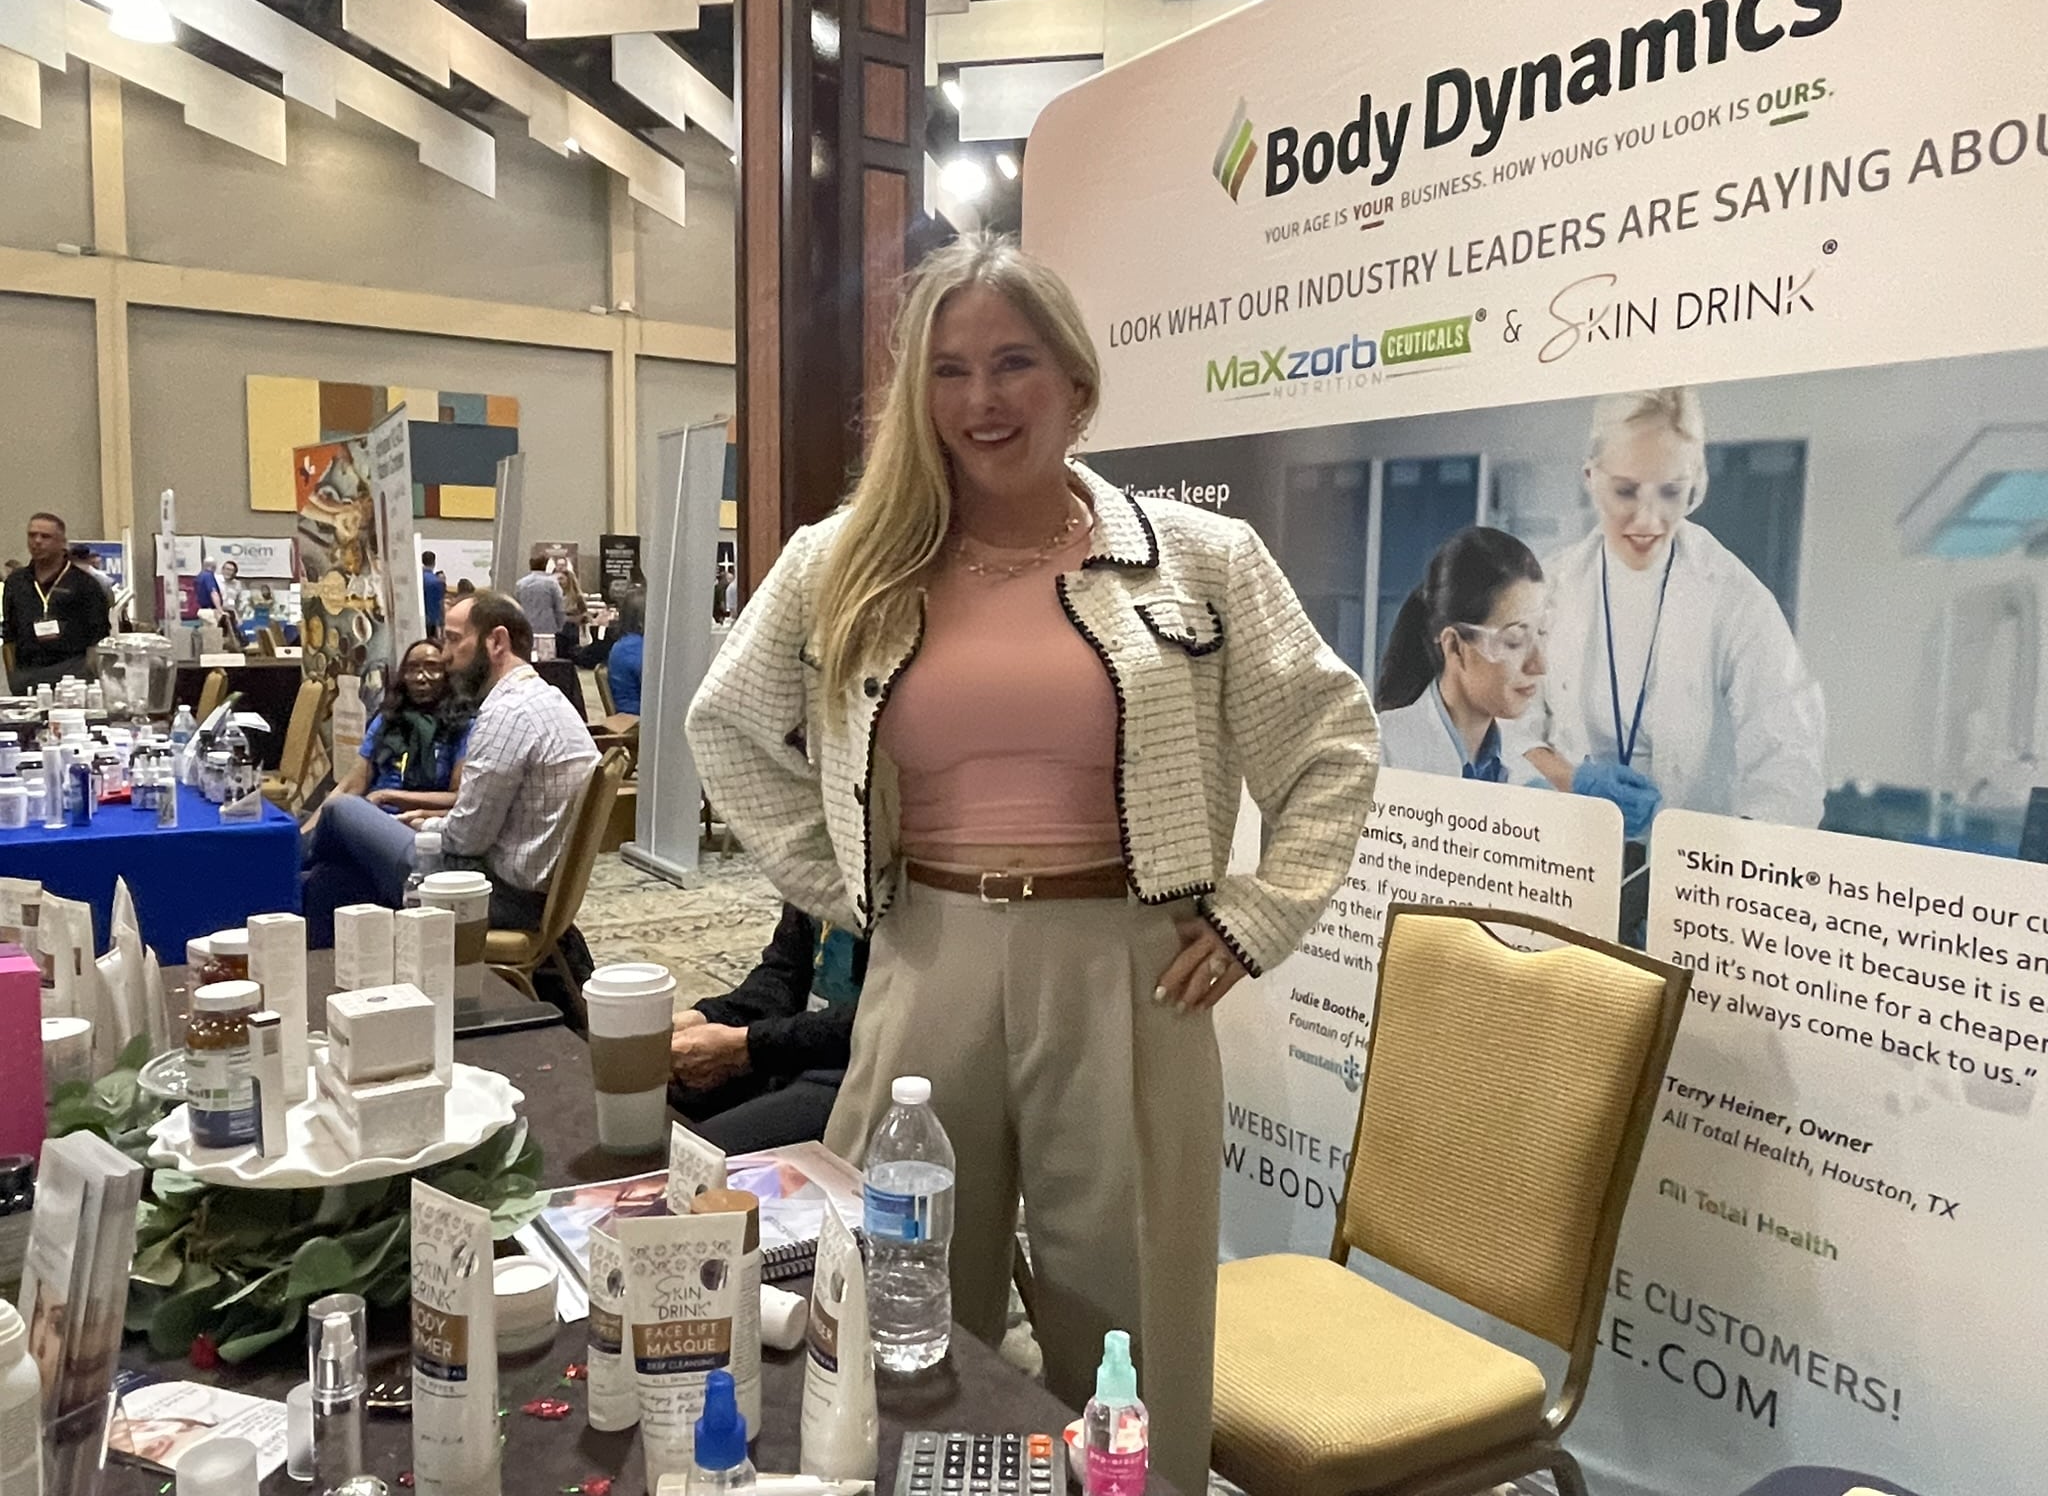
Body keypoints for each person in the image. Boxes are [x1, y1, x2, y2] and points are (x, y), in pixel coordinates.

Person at [686, 233, 1378, 1496]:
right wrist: (846, 886)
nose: (980, 400)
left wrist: (1259, 915)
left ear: (1076, 383)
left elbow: (1331, 742)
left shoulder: (1199, 556)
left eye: (1012, 363)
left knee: (1130, 1317)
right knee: (897, 1298)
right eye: (947, 370)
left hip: (1128, 966)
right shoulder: (846, 559)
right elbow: (725, 725)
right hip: (926, 958)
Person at [1508, 387, 1826, 831]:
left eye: (1670, 492)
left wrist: (1721, 855)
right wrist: (1570, 780)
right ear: (1591, 478)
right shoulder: (1551, 588)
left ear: (1695, 485)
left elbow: (1790, 765)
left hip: (1695, 855)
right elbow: (1506, 730)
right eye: (1625, 491)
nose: (1647, 519)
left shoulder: (1735, 600)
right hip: (1571, 843)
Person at [301, 591, 600, 951]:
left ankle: (276, 866)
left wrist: (419, 823)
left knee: (342, 810)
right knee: (331, 878)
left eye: (455, 640)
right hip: (526, 892)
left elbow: (466, 839)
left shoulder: (507, 714)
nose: (444, 655)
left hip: (493, 895)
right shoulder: (550, 701)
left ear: (496, 642)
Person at [669, 902, 868, 1154]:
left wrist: (750, 1045)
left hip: (861, 1067)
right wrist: (709, 1017)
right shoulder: (815, 884)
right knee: (663, 1095)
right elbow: (783, 971)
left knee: (698, 1155)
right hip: (795, 1043)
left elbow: (870, 1023)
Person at [1375, 527, 1547, 781]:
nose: (1539, 664)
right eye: (1514, 641)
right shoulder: (1380, 753)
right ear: (1455, 646)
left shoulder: (1524, 775)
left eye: (1542, 633)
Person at [319, 639, 474, 816]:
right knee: (324, 816)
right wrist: (309, 829)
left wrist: (388, 796)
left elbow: (459, 797)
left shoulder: (462, 725)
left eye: (432, 668)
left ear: (447, 674)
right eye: (412, 669)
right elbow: (351, 785)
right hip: (374, 813)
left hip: (417, 820)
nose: (421, 678)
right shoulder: (388, 718)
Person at [2, 512, 111, 689]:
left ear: (62, 542)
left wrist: (91, 676)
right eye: (32, 535)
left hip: (72, 675)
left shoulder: (85, 584)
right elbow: (9, 634)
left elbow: (98, 636)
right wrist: (13, 677)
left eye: (45, 536)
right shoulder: (16, 582)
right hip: (26, 675)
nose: (37, 541)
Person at [605, 588, 645, 714]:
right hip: (636, 715)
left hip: (631, 710)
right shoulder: (635, 647)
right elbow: (653, 682)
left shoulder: (623, 643)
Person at [515, 554, 566, 642]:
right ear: (545, 565)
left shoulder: (520, 584)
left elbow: (517, 607)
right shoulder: (552, 583)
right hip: (548, 629)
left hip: (526, 627)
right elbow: (559, 608)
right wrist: (560, 626)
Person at [420, 550, 446, 635]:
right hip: (432, 619)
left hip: (417, 617)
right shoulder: (437, 581)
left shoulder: (417, 578)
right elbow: (440, 602)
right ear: (434, 562)